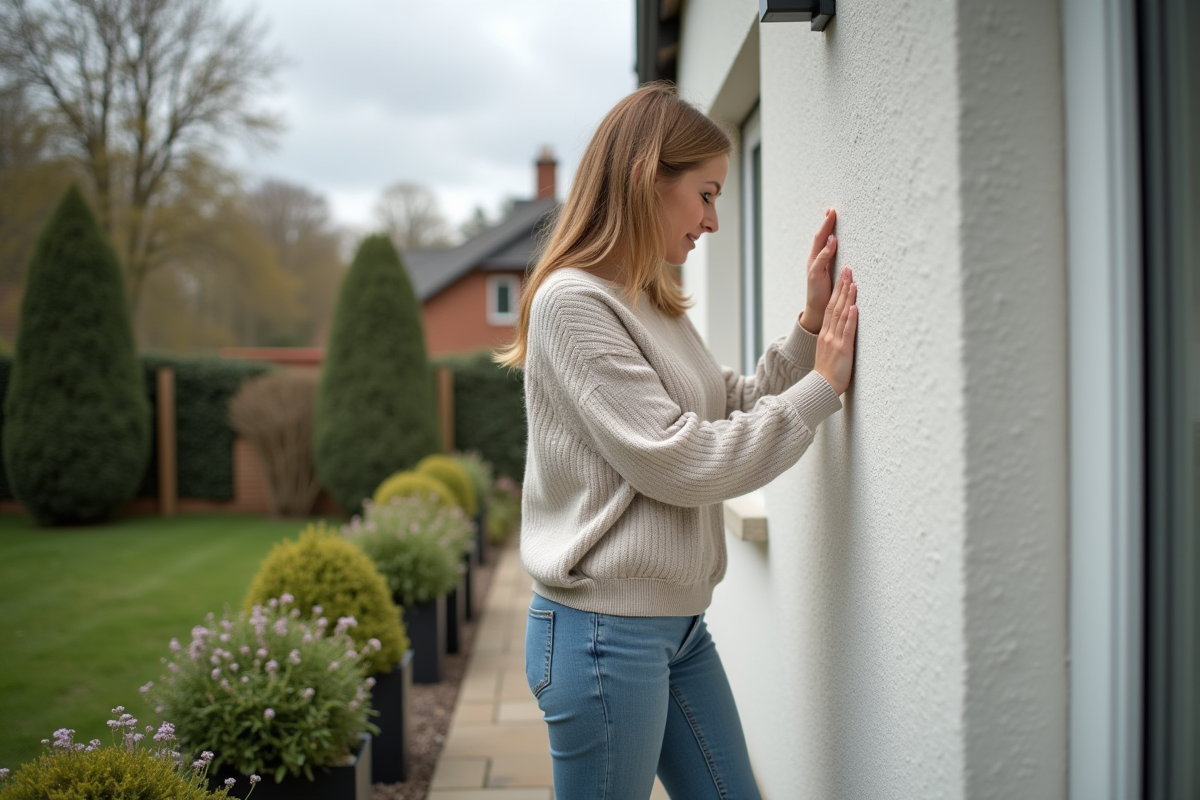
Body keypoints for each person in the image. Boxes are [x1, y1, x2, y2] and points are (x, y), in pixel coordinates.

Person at [496, 83, 859, 800]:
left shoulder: (645, 298)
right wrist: (824, 391)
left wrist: (810, 329)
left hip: (678, 628)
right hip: (604, 636)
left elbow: (730, 405)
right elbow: (683, 459)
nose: (714, 221)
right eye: (707, 194)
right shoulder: (575, 303)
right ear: (646, 180)